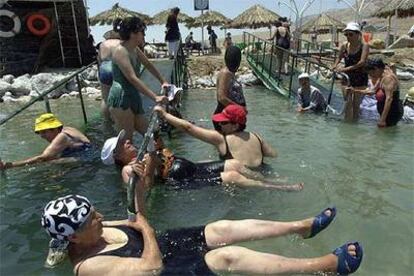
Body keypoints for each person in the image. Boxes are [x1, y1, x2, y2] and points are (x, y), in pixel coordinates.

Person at [41, 194, 363, 275]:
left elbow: (134, 217)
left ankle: (301, 227)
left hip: (163, 243)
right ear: (73, 238)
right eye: (90, 220)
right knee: (227, 256)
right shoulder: (88, 266)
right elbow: (150, 269)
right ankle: (322, 266)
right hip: (164, 268)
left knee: (220, 228)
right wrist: (148, 229)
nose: (99, 218)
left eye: (94, 211)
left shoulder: (94, 228)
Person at [101, 130, 303, 207]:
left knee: (234, 163)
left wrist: (158, 143)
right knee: (232, 176)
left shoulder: (142, 153)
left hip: (191, 167)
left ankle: (269, 180)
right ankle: (278, 188)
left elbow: (162, 152)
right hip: (180, 180)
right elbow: (146, 189)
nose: (127, 141)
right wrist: (151, 162)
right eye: (122, 144)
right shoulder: (127, 170)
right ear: (117, 156)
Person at [155, 104, 276, 168]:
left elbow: (188, 128)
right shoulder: (257, 137)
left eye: (223, 122)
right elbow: (273, 155)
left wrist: (165, 115)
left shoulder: (222, 139)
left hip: (237, 183)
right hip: (259, 174)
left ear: (235, 126)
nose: (219, 125)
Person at [108, 16, 169, 141]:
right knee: (127, 142)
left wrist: (163, 80)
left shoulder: (134, 49)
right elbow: (132, 78)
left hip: (133, 95)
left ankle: (161, 159)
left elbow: (148, 65)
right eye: (142, 32)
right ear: (132, 34)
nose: (144, 36)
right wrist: (155, 97)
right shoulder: (121, 51)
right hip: (121, 98)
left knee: (153, 136)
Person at [0, 113, 90, 170]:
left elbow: (42, 158)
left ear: (55, 129)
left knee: (47, 162)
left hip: (85, 161)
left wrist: (10, 165)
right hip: (90, 154)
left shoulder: (62, 137)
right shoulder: (69, 129)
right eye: (39, 133)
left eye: (44, 132)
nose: (41, 136)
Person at [346, 57, 403, 127]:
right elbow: (372, 91)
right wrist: (355, 91)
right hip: (386, 113)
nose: (371, 76)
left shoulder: (388, 79)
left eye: (371, 73)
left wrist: (382, 119)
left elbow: (389, 99)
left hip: (391, 112)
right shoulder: (382, 75)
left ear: (376, 69)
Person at [332, 22, 369, 122]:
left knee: (356, 104)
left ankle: (354, 124)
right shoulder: (344, 46)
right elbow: (339, 58)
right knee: (347, 102)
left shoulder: (364, 46)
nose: (348, 36)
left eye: (351, 34)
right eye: (346, 34)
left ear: (358, 34)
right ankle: (347, 125)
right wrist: (335, 66)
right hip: (347, 78)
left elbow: (362, 62)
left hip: (360, 77)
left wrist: (345, 69)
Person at [213, 46, 246, 131]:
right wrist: (240, 109)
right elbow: (222, 98)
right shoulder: (225, 73)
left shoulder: (231, 73)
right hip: (226, 119)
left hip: (233, 117)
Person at [97, 25, 121, 121]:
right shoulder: (121, 42)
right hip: (117, 66)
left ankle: (107, 120)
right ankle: (120, 120)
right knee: (122, 95)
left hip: (105, 67)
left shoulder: (102, 44)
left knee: (105, 98)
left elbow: (99, 60)